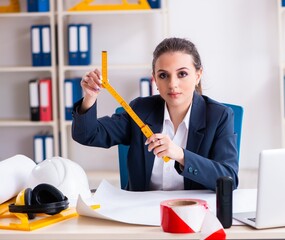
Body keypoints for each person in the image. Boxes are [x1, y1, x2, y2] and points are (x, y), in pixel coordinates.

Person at [72, 37, 239, 191]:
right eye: (163, 75)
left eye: (182, 74)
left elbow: (228, 180)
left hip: (193, 215)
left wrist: (180, 155)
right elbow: (87, 134)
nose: (172, 84)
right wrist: (89, 97)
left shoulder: (220, 116)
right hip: (141, 215)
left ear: (198, 75)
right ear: (155, 79)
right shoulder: (140, 110)